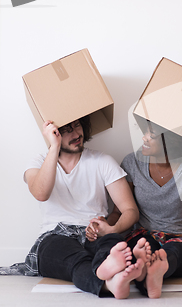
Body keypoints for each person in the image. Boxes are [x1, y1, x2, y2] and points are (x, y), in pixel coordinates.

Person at [0, 116, 144, 299]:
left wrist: (111, 229)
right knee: (71, 258)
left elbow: (130, 210)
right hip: (54, 236)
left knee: (114, 244)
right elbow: (41, 193)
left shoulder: (102, 161)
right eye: (67, 130)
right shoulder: (38, 163)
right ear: (54, 134)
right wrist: (54, 148)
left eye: (78, 126)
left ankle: (109, 273)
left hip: (94, 233)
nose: (77, 134)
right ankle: (107, 282)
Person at [87, 120, 182, 298]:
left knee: (172, 253)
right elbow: (119, 211)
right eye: (146, 132)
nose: (144, 138)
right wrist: (104, 226)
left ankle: (153, 270)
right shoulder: (133, 163)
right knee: (140, 249)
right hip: (143, 238)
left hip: (181, 240)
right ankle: (147, 272)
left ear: (170, 141)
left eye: (152, 135)